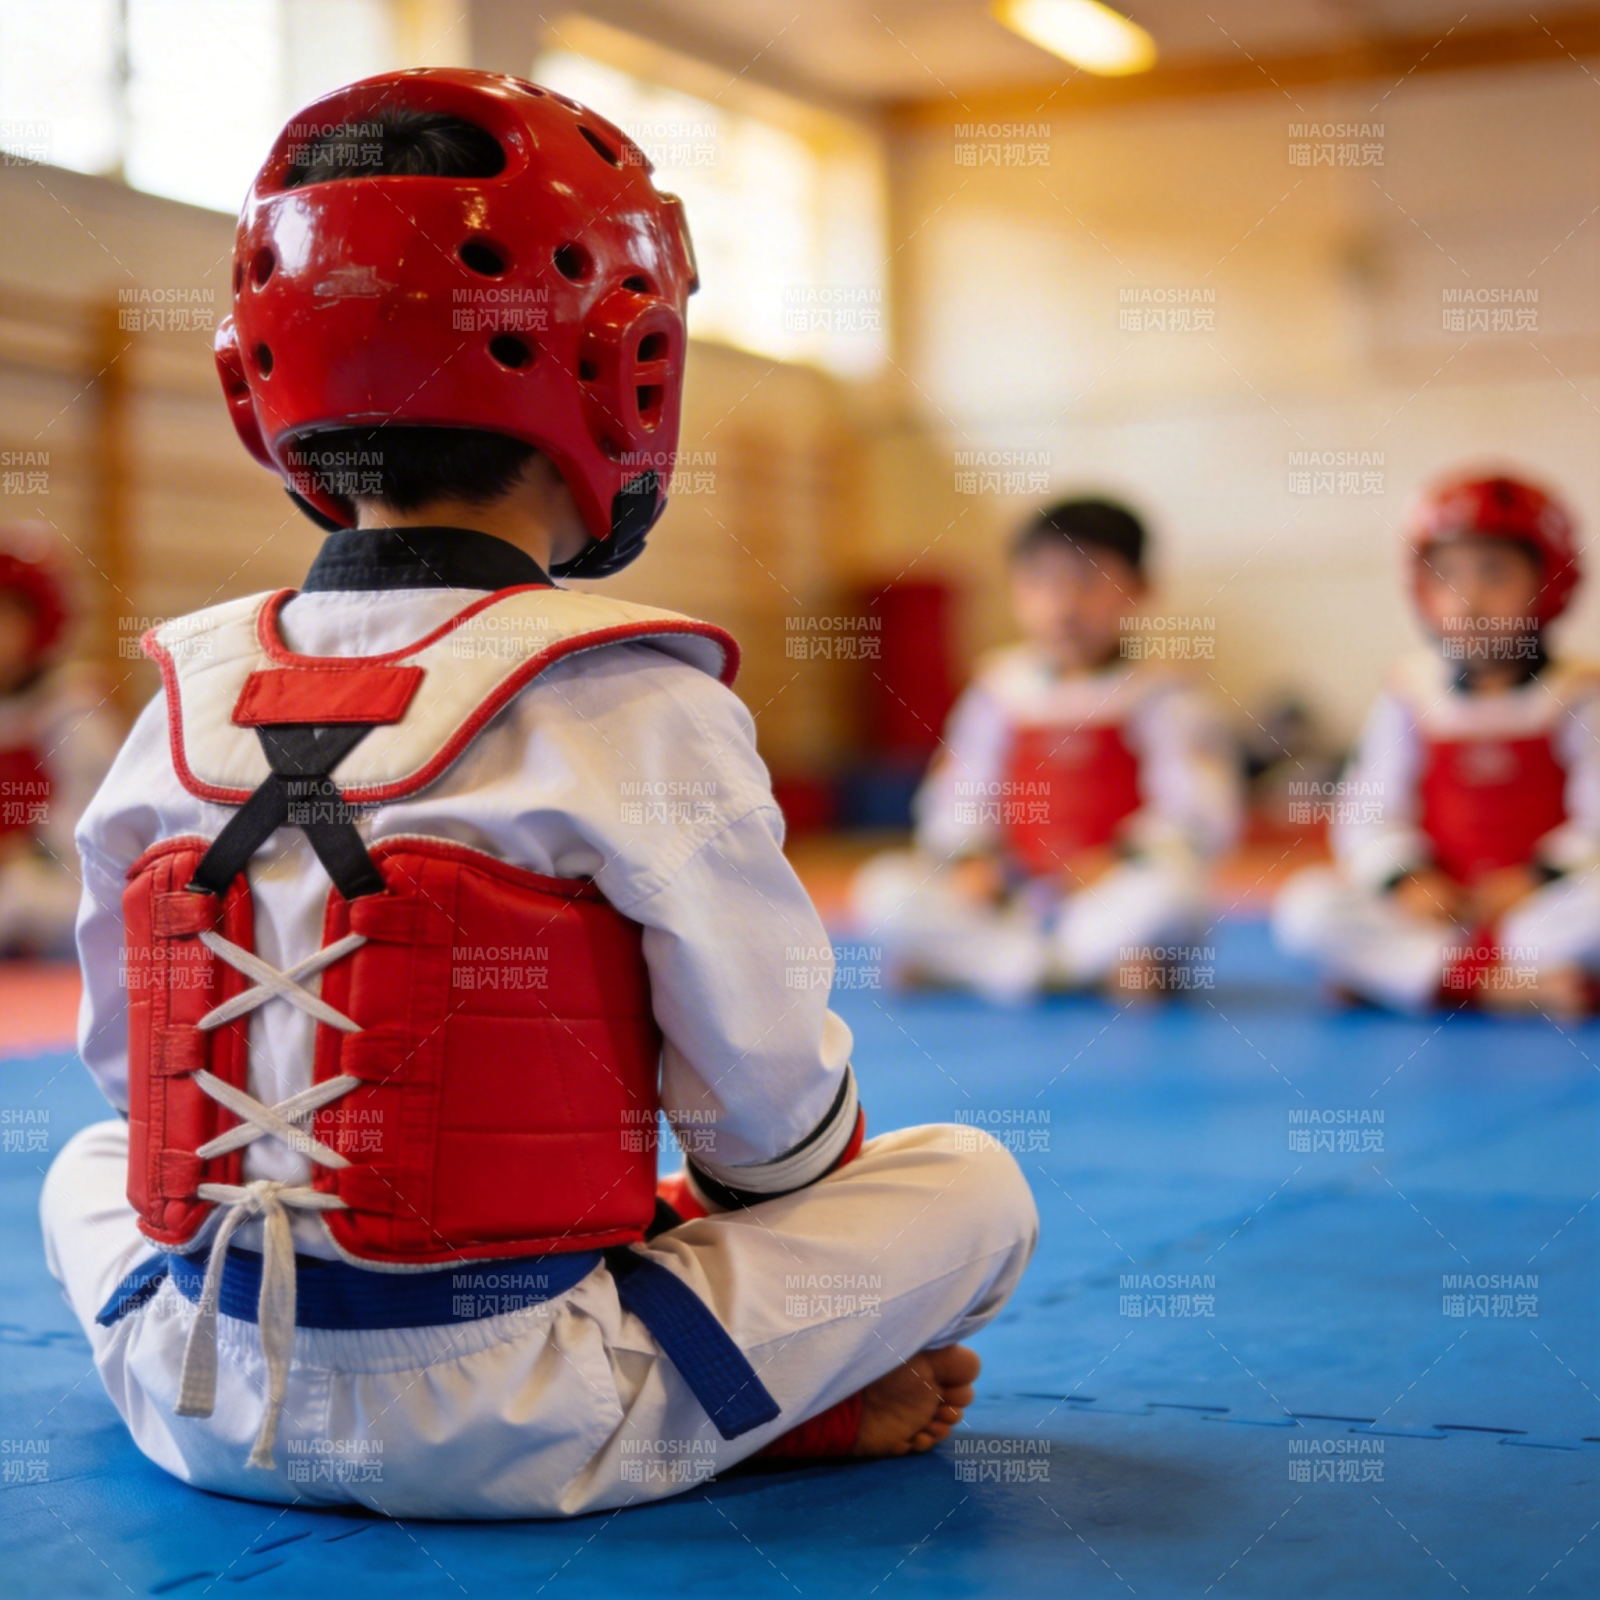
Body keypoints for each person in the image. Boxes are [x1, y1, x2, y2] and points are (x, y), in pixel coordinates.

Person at [39, 71, 1037, 1519]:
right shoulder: (636, 701)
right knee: (974, 1185)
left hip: (193, 1396)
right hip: (515, 1410)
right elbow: (768, 1128)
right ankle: (757, 1410)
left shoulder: (176, 696)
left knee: (77, 1163)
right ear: (625, 364)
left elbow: (135, 1098)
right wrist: (702, 1226)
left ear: (265, 384)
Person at [852, 497, 1241, 1002]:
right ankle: (1068, 968)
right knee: (884, 891)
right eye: (1040, 582)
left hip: (1110, 894)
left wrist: (1120, 860)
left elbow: (1196, 815)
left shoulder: (1164, 695)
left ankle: (989, 967)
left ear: (1140, 590)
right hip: (1012, 896)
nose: (1064, 605)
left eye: (1087, 581)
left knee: (1176, 892)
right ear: (1016, 592)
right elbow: (956, 797)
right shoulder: (997, 691)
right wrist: (970, 859)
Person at [1274, 471, 1600, 1016]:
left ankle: (1407, 977)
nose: (1468, 600)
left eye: (1494, 575)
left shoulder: (1580, 695)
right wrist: (1407, 880)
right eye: (1446, 576)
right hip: (1440, 910)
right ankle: (1500, 986)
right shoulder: (1409, 693)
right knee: (1307, 907)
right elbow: (1368, 814)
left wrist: (1538, 877)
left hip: (1541, 909)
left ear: (1551, 582)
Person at [0, 525, 118, 956]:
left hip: (58, 884)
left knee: (21, 894)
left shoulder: (72, 712)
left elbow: (96, 828)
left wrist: (27, 848)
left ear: (37, 625)